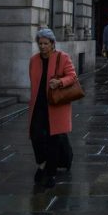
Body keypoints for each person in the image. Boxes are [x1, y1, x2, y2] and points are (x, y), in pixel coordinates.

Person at [28, 27, 78, 188]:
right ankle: (41, 163)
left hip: (56, 106)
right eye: (40, 43)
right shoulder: (34, 60)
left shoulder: (62, 58)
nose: (42, 46)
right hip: (38, 105)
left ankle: (50, 173)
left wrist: (60, 82)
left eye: (45, 43)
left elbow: (72, 76)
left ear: (52, 44)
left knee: (52, 140)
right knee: (35, 136)